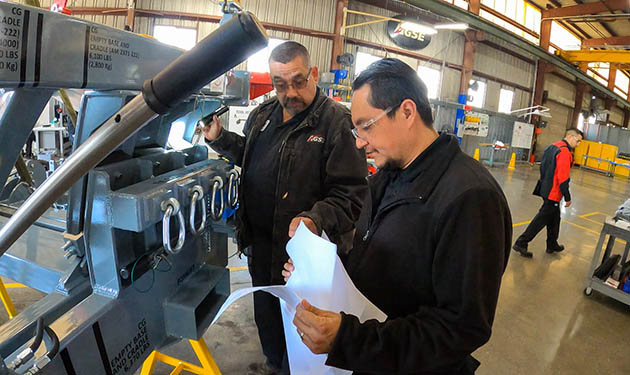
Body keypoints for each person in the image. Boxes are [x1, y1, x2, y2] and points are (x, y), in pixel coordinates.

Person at [283, 58, 512, 375]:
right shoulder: (385, 178)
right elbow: (373, 261)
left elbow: (460, 328)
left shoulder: (470, 198)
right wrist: (319, 268)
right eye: (356, 128)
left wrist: (351, 340)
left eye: (366, 126)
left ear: (407, 112)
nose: (360, 141)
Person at [203, 41, 367, 374]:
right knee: (268, 323)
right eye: (280, 84)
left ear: (314, 74)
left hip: (305, 259)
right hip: (261, 249)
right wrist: (220, 138)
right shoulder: (262, 116)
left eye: (298, 81)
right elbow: (252, 156)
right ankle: (275, 365)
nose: (290, 92)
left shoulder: (336, 124)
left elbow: (351, 194)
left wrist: (315, 218)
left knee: (305, 334)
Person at [512, 128, 583, 258]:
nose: (578, 144)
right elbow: (563, 178)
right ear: (570, 136)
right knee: (541, 219)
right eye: (577, 141)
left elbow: (543, 167)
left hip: (545, 187)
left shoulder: (552, 147)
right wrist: (567, 197)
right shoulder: (564, 152)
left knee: (555, 218)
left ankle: (552, 244)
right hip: (553, 192)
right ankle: (521, 242)